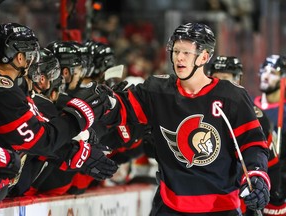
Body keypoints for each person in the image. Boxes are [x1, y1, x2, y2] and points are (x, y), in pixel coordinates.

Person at [89, 22, 271, 215]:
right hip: (170, 206)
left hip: (221, 208)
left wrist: (257, 174)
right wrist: (105, 102)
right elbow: (122, 109)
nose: (179, 58)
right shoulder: (156, 91)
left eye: (186, 53)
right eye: (176, 51)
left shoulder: (232, 97)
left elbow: (252, 144)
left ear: (204, 57)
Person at [0, 22, 117, 198]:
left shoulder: (12, 89)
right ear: (20, 58)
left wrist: (72, 152)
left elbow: (35, 136)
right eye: (31, 54)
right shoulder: (4, 91)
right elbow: (40, 140)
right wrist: (81, 114)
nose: (33, 62)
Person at [209, 55, 281, 216]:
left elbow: (272, 165)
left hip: (238, 203)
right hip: (199, 201)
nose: (221, 85)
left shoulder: (255, 116)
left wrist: (275, 200)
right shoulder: (196, 111)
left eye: (226, 79)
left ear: (238, 80)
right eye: (216, 79)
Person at [253, 54, 286, 215]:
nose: (266, 76)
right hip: (256, 185)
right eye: (264, 71)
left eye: (273, 72)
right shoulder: (249, 107)